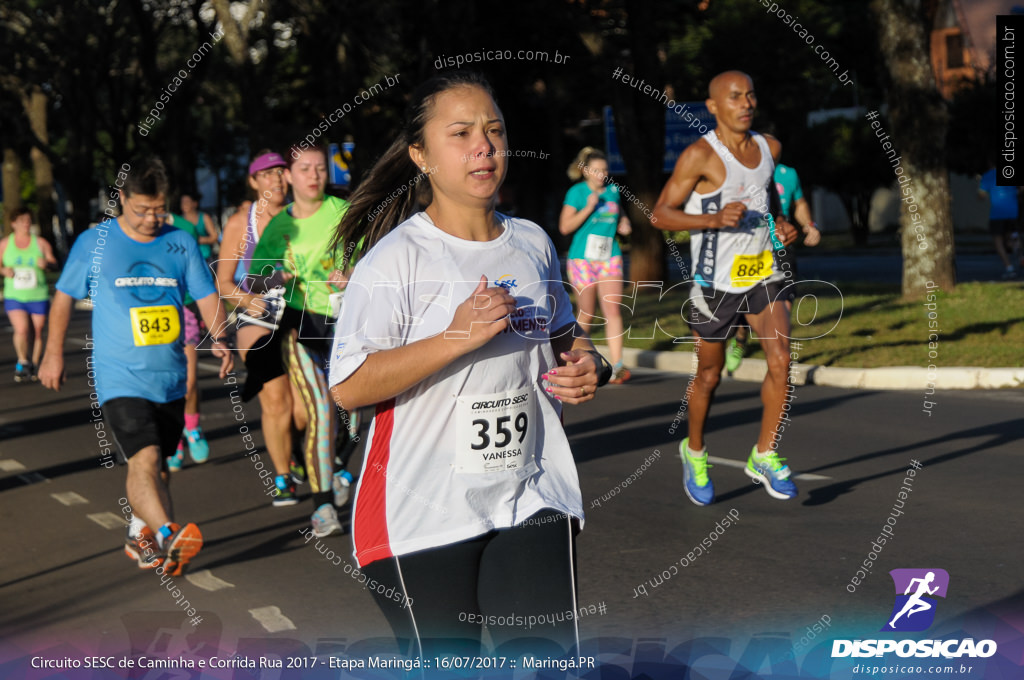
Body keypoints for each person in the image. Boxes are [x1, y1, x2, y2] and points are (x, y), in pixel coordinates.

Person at [328, 71, 608, 658]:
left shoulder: (532, 240)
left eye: (494, 130)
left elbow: (562, 338)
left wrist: (591, 364)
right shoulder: (396, 260)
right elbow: (349, 388)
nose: (483, 145)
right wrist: (455, 337)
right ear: (420, 156)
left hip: (530, 489)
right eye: (460, 133)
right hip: (421, 510)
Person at [39, 157, 233, 575]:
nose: (151, 218)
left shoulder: (180, 242)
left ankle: (140, 534)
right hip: (119, 376)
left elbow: (204, 293)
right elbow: (63, 298)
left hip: (170, 376)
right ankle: (167, 534)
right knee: (143, 458)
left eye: (159, 209)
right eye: (142, 209)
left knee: (159, 466)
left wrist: (221, 339)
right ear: (121, 199)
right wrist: (53, 353)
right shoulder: (95, 243)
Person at [652, 70, 799, 505]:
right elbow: (660, 213)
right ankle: (694, 450)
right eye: (735, 97)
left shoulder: (769, 148)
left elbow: (766, 201)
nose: (746, 103)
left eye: (751, 94)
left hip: (764, 274)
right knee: (710, 375)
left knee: (781, 359)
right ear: (713, 107)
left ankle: (765, 454)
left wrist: (783, 226)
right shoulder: (700, 156)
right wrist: (710, 220)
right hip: (715, 283)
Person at [248, 145, 352, 534]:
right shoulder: (280, 227)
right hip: (301, 324)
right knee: (322, 410)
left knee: (356, 411)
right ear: (289, 177)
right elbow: (254, 282)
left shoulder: (343, 212)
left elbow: (373, 257)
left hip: (346, 324)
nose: (314, 175)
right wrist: (281, 277)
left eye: (320, 168)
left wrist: (351, 271)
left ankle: (338, 466)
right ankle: (322, 507)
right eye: (305, 168)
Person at [216, 151, 305, 505]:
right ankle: (282, 476)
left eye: (281, 173)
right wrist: (248, 299)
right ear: (254, 182)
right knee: (276, 401)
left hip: (299, 312)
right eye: (267, 175)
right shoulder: (241, 223)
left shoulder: (305, 216)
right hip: (257, 316)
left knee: (304, 408)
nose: (277, 180)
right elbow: (223, 281)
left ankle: (296, 449)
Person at [725, 161, 821, 373]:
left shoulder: (788, 174)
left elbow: (800, 203)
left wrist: (809, 226)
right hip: (751, 249)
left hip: (782, 247)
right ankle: (741, 338)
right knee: (747, 304)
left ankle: (779, 361)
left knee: (784, 305)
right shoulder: (741, 171)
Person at [559, 147, 633, 383]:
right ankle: (576, 360)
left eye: (605, 170)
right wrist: (589, 208)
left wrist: (624, 223)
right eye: (597, 170)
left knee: (612, 309)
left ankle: (618, 365)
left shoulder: (612, 191)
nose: (602, 174)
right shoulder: (577, 193)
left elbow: (618, 212)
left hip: (609, 256)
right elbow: (565, 227)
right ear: (585, 171)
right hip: (582, 260)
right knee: (587, 313)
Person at [1, 208, 58, 382]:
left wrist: (46, 263)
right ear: (13, 224)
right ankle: (23, 361)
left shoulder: (40, 243)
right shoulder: (5, 244)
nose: (25, 224)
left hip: (37, 294)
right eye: (21, 221)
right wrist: (4, 270)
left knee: (38, 331)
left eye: (28, 220)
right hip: (15, 295)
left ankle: (33, 363)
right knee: (22, 329)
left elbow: (54, 262)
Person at [978, 165, 1022, 279]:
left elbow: (981, 195)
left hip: (997, 213)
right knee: (1011, 237)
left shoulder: (987, 175)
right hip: (1013, 211)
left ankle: (1009, 267)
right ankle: (1020, 255)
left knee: (998, 241)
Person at [174, 193, 219, 260]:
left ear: (195, 203)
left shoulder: (204, 217)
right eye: (182, 202)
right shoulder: (178, 221)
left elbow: (215, 237)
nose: (184, 204)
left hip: (204, 257)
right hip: (186, 258)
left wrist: (197, 239)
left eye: (187, 202)